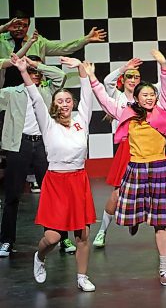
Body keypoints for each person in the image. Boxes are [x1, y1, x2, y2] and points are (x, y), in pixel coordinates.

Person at [91, 49, 166, 286]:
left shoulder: (164, 112)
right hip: (135, 169)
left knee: (161, 222)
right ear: (137, 98)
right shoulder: (126, 113)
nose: (150, 98)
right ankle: (133, 220)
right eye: (145, 95)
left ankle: (164, 270)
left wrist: (164, 65)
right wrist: (92, 79)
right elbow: (105, 99)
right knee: (126, 209)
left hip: (160, 169)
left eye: (153, 94)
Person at [91, 59, 166, 248]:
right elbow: (106, 84)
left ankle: (160, 229)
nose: (133, 79)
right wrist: (122, 68)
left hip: (151, 153)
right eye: (129, 76)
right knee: (118, 194)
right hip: (128, 150)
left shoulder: (147, 95)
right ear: (123, 80)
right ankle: (103, 231)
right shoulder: (117, 97)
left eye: (136, 76)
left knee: (154, 193)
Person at [11, 55, 97, 291]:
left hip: (78, 180)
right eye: (60, 100)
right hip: (57, 182)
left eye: (68, 99)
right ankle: (39, 257)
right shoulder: (48, 123)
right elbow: (36, 98)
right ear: (54, 104)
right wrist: (23, 71)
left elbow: (88, 96)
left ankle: (82, 277)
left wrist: (80, 68)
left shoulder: (82, 120)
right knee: (52, 238)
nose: (65, 103)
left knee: (83, 236)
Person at [0, 45, 76, 257]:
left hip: (44, 145)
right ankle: (6, 241)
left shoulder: (47, 92)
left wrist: (35, 63)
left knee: (53, 194)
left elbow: (60, 75)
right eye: (30, 72)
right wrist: (12, 64)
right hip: (19, 145)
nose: (34, 75)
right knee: (12, 196)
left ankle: (62, 237)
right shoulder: (12, 93)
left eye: (36, 73)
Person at [0, 10, 106, 89]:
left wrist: (85, 39)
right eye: (17, 25)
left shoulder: (37, 41)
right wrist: (4, 28)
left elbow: (63, 48)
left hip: (35, 92)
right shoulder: (1, 39)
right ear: (10, 24)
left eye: (24, 25)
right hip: (6, 91)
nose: (21, 28)